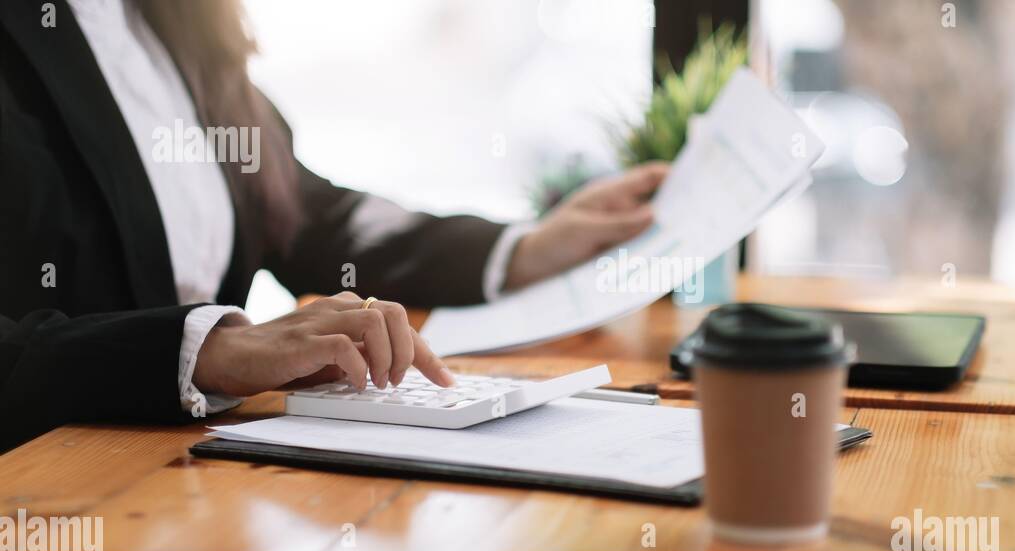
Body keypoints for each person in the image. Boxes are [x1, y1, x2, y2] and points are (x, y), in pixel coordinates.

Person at [0, 0, 669, 452]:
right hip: (58, 486)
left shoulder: (177, 20)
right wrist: (203, 349)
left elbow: (303, 212)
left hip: (190, 475)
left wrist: (521, 247)